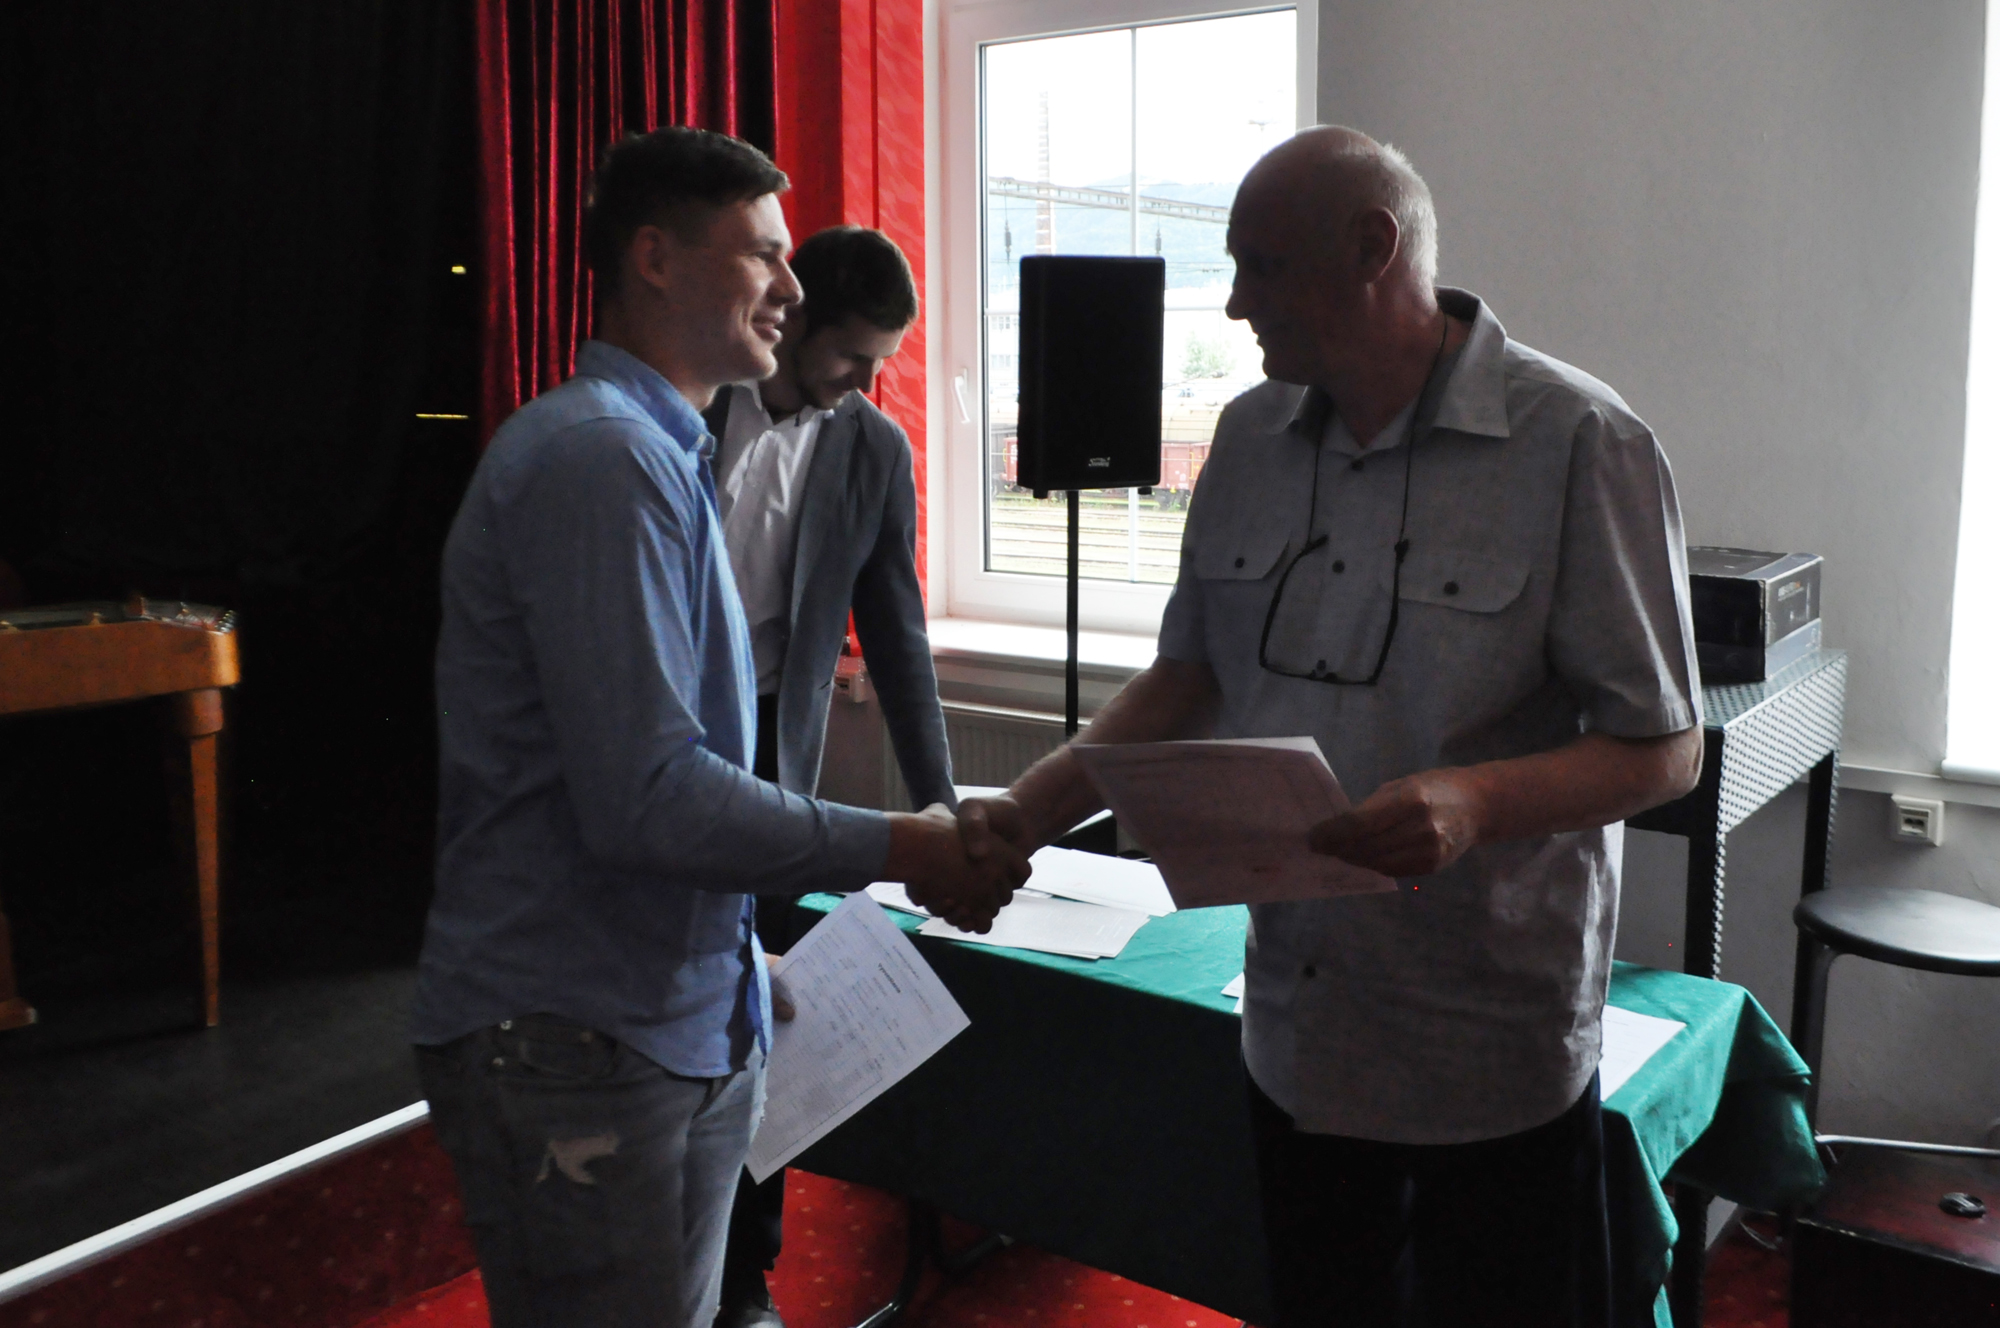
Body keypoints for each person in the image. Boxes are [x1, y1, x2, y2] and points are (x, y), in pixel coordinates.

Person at [958, 126, 1705, 1327]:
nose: (1234, 302)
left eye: (1260, 265)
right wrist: (1021, 812)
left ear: (1371, 248)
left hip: (1486, 1047)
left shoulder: (1579, 440)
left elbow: (1664, 746)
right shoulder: (1246, 436)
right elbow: (1184, 677)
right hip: (1295, 1031)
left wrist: (1470, 801)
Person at [410, 127, 1025, 1328]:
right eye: (762, 255)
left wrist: (737, 956)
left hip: (652, 1012)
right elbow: (649, 796)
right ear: (654, 259)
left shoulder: (653, 447)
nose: (791, 288)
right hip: (577, 1031)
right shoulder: (603, 458)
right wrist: (906, 843)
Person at [699, 224, 949, 1328]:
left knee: (763, 1016)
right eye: (851, 354)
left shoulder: (874, 449)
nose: (863, 382)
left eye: (880, 362)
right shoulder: (687, 406)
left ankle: (744, 1272)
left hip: (771, 744)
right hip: (664, 733)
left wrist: (938, 804)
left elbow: (896, 634)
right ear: (793, 313)